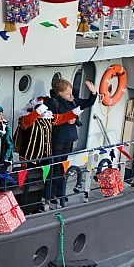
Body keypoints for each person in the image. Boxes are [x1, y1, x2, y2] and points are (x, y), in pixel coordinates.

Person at [16, 97, 81, 210]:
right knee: (28, 181)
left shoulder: (48, 118)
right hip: (30, 156)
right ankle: (26, 204)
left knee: (49, 177)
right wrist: (37, 111)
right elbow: (27, 122)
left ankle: (45, 199)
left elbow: (62, 118)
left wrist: (77, 111)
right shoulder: (25, 118)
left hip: (46, 155)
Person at [44, 78, 98, 207]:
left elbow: (87, 103)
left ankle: (60, 192)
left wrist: (93, 93)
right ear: (59, 93)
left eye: (70, 91)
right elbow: (51, 119)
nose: (71, 95)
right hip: (57, 138)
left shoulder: (72, 100)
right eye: (67, 93)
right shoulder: (52, 103)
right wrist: (67, 119)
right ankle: (50, 194)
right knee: (54, 167)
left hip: (69, 137)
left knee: (64, 166)